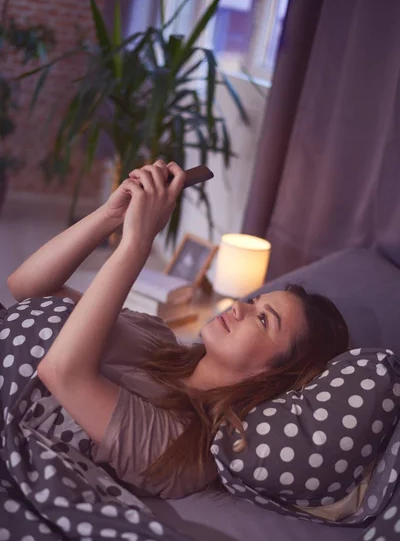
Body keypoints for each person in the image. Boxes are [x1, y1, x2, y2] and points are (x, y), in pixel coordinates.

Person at [4, 160, 349, 499]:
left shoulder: (184, 447)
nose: (240, 306)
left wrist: (138, 242)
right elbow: (27, 287)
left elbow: (62, 372)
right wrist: (112, 214)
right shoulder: (156, 335)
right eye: (255, 300)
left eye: (263, 319)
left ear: (274, 373)